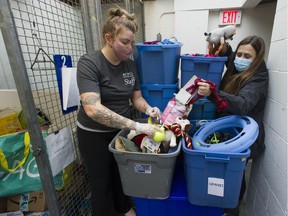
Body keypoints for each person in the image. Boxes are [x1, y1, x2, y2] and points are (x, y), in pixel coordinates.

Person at [76, 7, 161, 216]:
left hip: (119, 133)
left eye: (132, 42)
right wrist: (135, 125)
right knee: (102, 182)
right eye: (125, 42)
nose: (130, 48)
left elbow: (137, 98)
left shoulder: (130, 65)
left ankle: (123, 208)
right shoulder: (90, 63)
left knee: (120, 175)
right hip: (94, 135)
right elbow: (93, 109)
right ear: (108, 38)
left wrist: (149, 109)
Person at [197, 35, 269, 216]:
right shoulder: (236, 64)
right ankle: (219, 202)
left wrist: (213, 93)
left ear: (257, 58)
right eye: (240, 54)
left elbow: (243, 104)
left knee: (235, 174)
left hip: (244, 137)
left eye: (247, 56)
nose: (241, 59)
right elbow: (230, 56)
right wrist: (223, 45)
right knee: (225, 172)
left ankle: (231, 209)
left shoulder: (258, 78)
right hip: (230, 129)